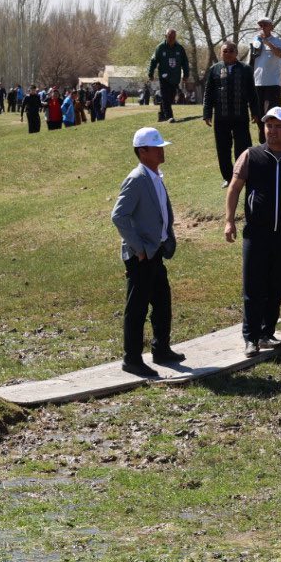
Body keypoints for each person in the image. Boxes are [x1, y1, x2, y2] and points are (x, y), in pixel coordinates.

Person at [225, 107, 281, 357]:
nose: (272, 131)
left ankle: (267, 332)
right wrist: (229, 221)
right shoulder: (251, 156)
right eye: (268, 126)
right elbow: (234, 189)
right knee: (254, 287)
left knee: (277, 285)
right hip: (256, 233)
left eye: (278, 126)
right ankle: (251, 338)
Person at [112, 126, 183, 376]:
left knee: (162, 303)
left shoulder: (155, 176)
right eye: (157, 147)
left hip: (156, 253)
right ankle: (132, 359)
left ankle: (161, 349)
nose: (162, 151)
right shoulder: (137, 179)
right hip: (142, 256)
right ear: (143, 151)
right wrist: (139, 249)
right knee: (137, 308)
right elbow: (118, 216)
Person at [203, 40, 261, 186]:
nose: (227, 53)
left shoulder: (246, 69)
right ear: (220, 53)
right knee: (223, 149)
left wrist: (255, 112)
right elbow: (208, 93)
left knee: (242, 147)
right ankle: (228, 178)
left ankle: (242, 175)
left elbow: (252, 93)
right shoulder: (214, 69)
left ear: (236, 53)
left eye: (231, 51)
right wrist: (207, 113)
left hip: (240, 116)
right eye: (225, 51)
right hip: (221, 117)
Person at [147, 29, 190, 121]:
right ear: (165, 36)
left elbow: (185, 63)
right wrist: (150, 73)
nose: (171, 39)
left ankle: (161, 115)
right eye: (170, 37)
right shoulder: (160, 48)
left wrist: (186, 75)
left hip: (175, 77)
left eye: (173, 37)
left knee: (170, 97)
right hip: (164, 77)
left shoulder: (180, 48)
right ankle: (169, 116)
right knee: (165, 96)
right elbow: (153, 61)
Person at [249, 18, 281, 114]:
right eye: (260, 25)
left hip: (272, 83)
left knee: (272, 113)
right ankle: (261, 130)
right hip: (257, 83)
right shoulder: (254, 42)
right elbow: (250, 62)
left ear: (271, 27)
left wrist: (268, 43)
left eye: (265, 25)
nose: (262, 27)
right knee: (258, 113)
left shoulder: (277, 41)